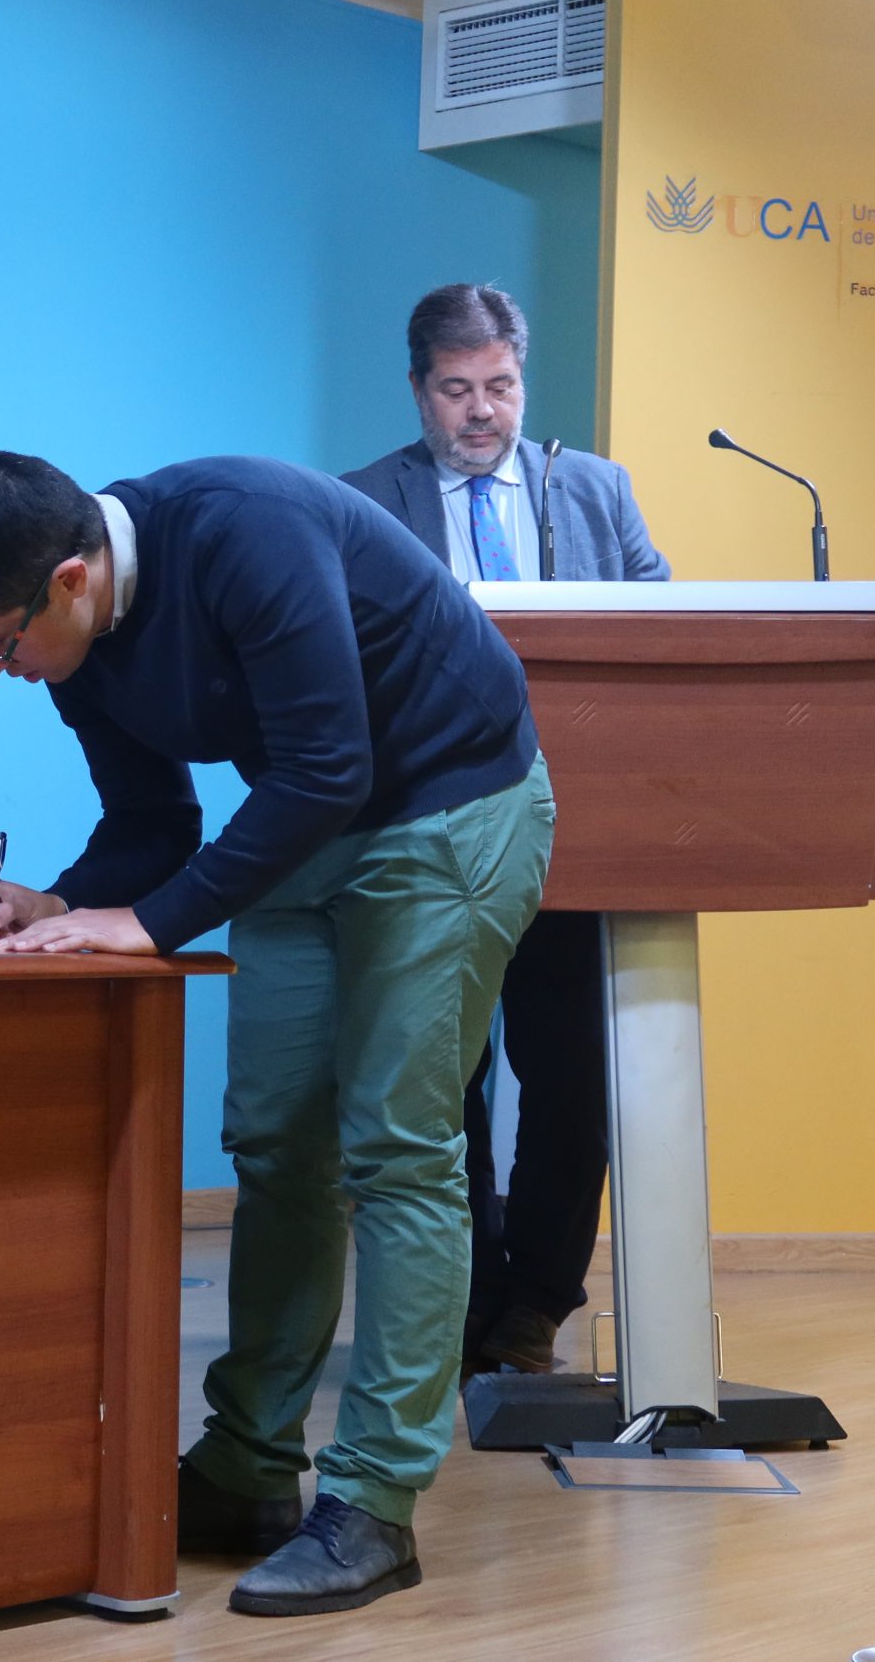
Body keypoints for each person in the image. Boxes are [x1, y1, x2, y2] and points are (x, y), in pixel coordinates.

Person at [0, 451, 552, 1616]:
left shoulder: (244, 531)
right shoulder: (79, 643)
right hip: (306, 821)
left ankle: (374, 1501)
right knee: (274, 1143)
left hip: (447, 803)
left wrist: (150, 922)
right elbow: (153, 817)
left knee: (396, 1149)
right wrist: (62, 900)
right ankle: (248, 1466)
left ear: (69, 580)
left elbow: (330, 764)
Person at [341, 283, 667, 1378]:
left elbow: (661, 627)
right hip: (430, 838)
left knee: (572, 1082)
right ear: (417, 389)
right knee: (447, 1085)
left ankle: (538, 1302)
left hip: (575, 840)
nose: (481, 411)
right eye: (456, 389)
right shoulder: (364, 502)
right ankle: (468, 1296)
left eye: (501, 386)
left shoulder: (596, 492)